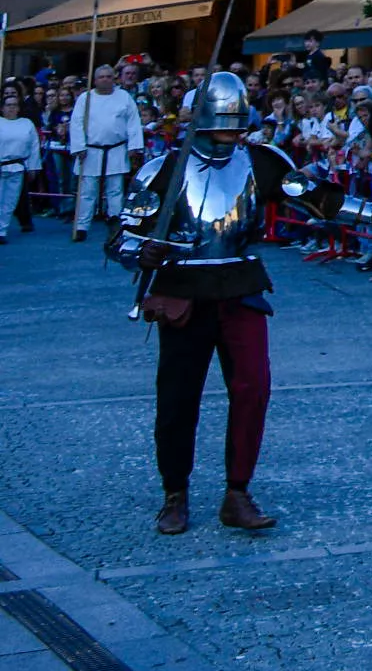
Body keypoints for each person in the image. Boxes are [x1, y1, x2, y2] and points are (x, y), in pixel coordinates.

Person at [117, 71, 289, 536]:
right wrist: (142, 251)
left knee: (253, 390)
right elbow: (122, 238)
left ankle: (238, 492)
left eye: (236, 129)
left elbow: (311, 196)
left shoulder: (260, 161)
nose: (229, 137)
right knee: (177, 398)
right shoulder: (162, 170)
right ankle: (174, 494)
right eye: (222, 127)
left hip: (240, 286)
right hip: (183, 292)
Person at [70, 62, 146, 243]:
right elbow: (77, 122)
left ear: (114, 78)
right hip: (91, 150)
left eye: (109, 76)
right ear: (95, 80)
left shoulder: (124, 97)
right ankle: (81, 226)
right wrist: (79, 147)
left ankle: (115, 223)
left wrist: (134, 146)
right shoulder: (85, 98)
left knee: (115, 189)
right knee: (87, 190)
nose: (105, 80)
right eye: (101, 77)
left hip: (116, 148)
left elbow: (133, 123)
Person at [0, 89, 35, 241]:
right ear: (2, 108)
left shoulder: (27, 124)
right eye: (8, 105)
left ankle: (2, 230)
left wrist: (33, 167)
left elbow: (33, 148)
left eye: (14, 105)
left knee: (10, 201)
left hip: (18, 167)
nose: (11, 108)